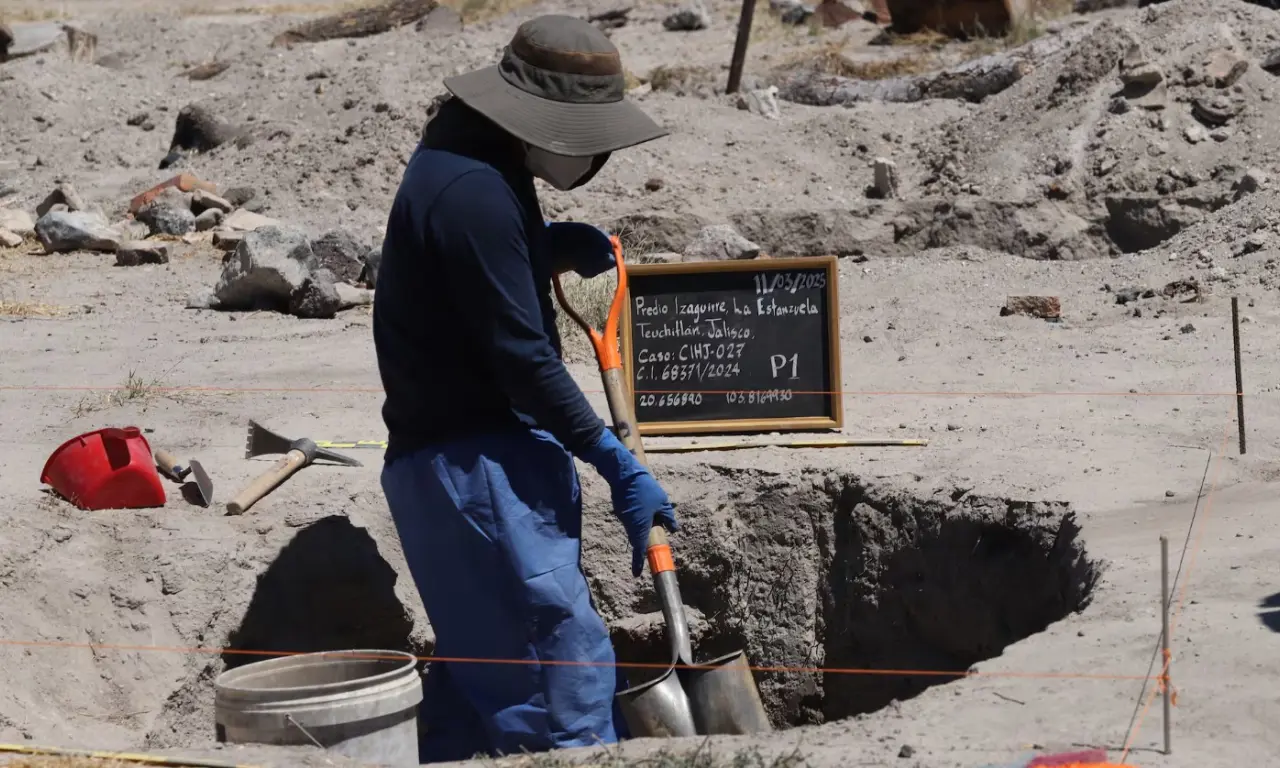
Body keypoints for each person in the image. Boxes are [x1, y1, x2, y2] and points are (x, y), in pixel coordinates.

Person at [372, 14, 679, 764]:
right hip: (476, 473)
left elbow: (463, 286)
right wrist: (614, 459)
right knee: (558, 692)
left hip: (464, 468)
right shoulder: (475, 189)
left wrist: (535, 252)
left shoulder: (465, 155)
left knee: (491, 690)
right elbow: (525, 360)